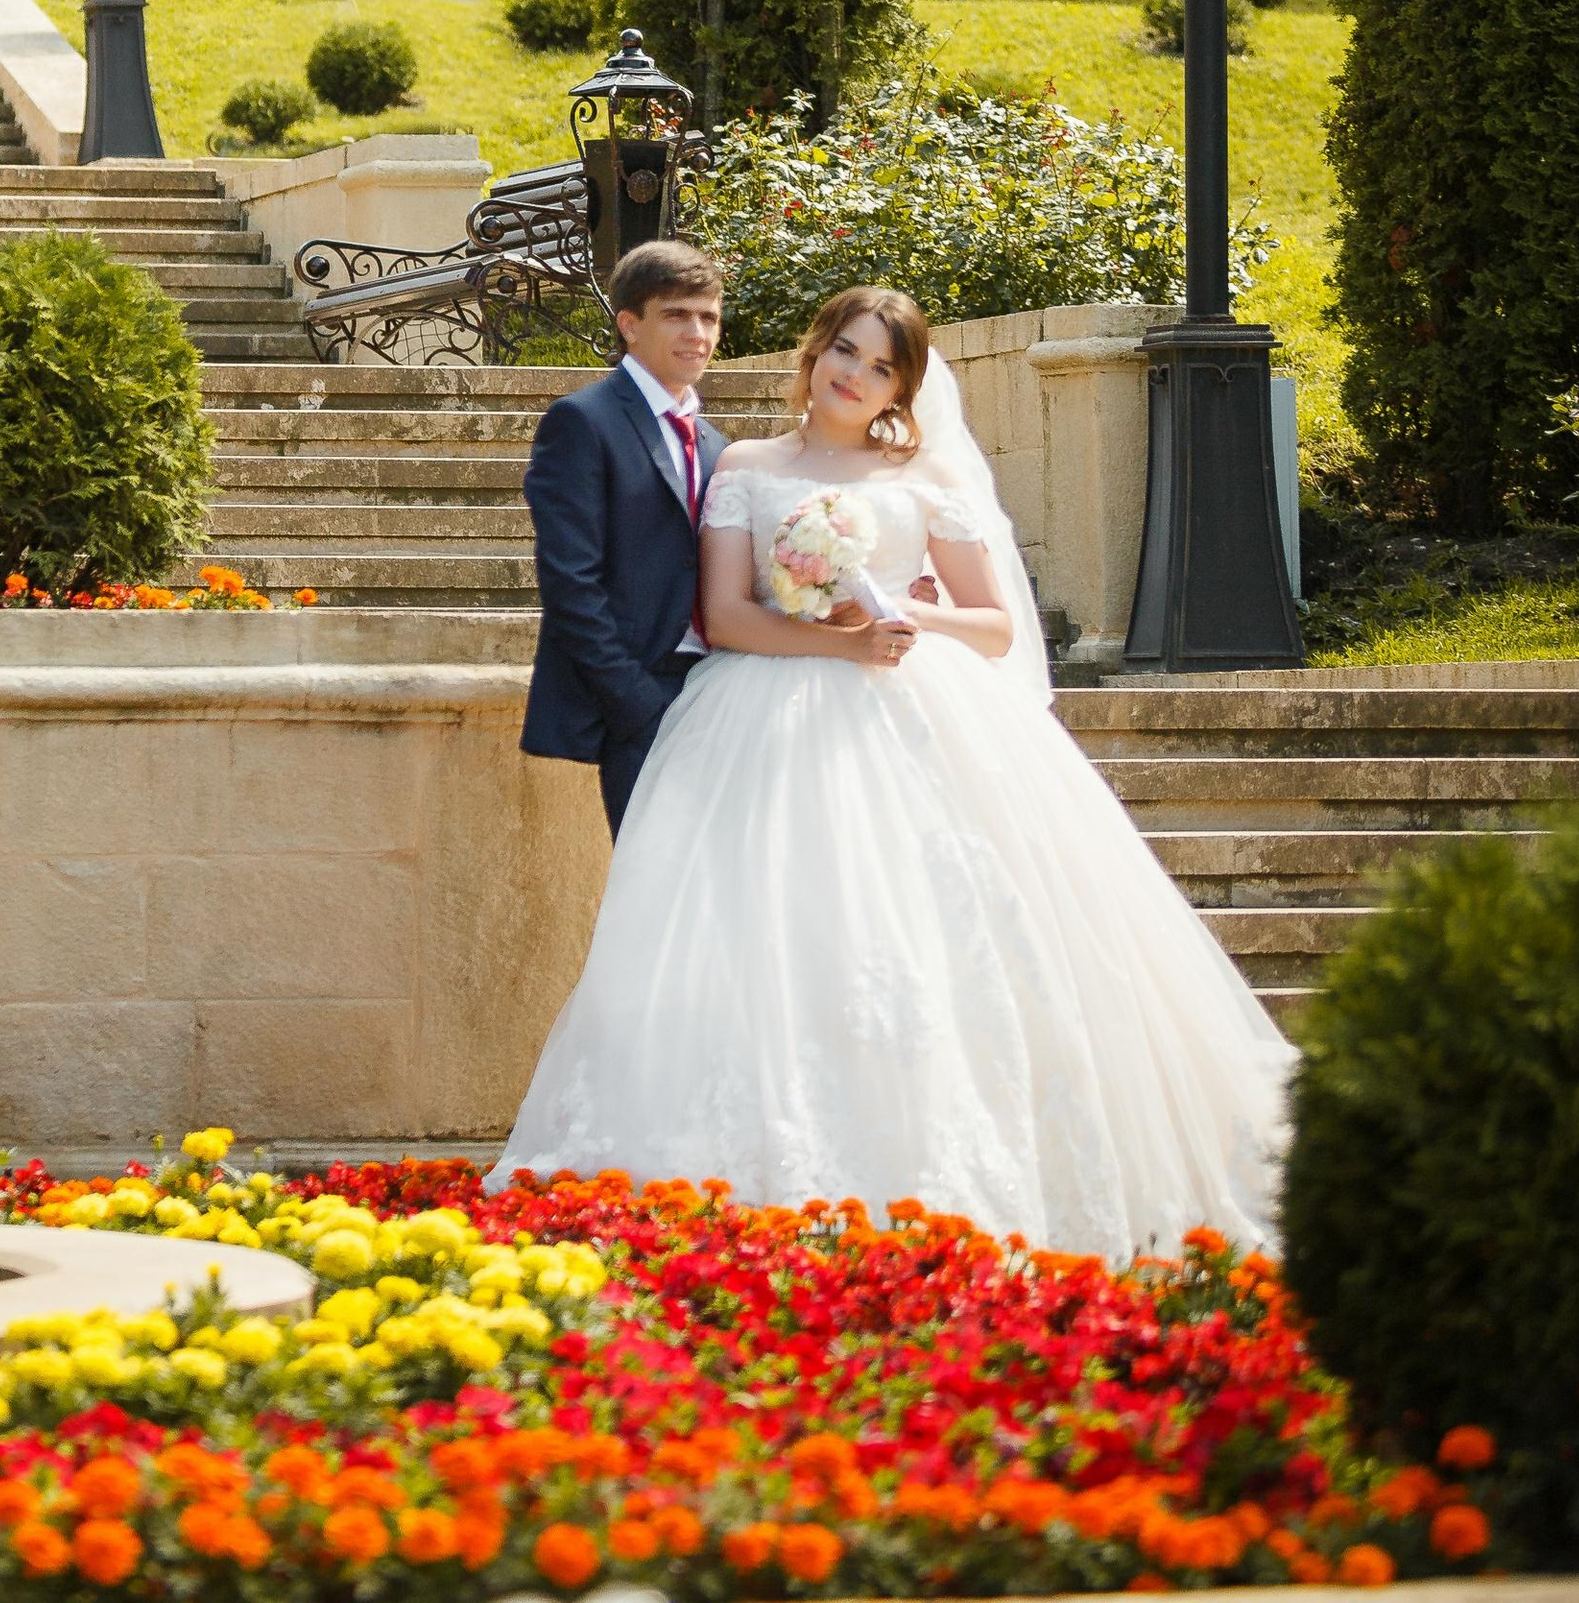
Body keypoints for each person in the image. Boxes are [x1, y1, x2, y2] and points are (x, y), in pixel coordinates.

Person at [492, 282, 1294, 1261]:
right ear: (815, 348)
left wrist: (900, 623)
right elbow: (727, 615)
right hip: (762, 716)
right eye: (845, 351)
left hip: (916, 708)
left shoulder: (923, 482)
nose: (855, 376)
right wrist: (833, 638)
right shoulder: (743, 467)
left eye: (881, 367)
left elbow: (995, 624)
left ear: (902, 389)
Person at [518, 239, 728, 838]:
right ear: (629, 325)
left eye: (708, 317)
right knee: (655, 890)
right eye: (677, 314)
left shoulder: (716, 443)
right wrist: (635, 702)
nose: (697, 332)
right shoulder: (583, 422)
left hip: (721, 693)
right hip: (641, 697)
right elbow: (570, 583)